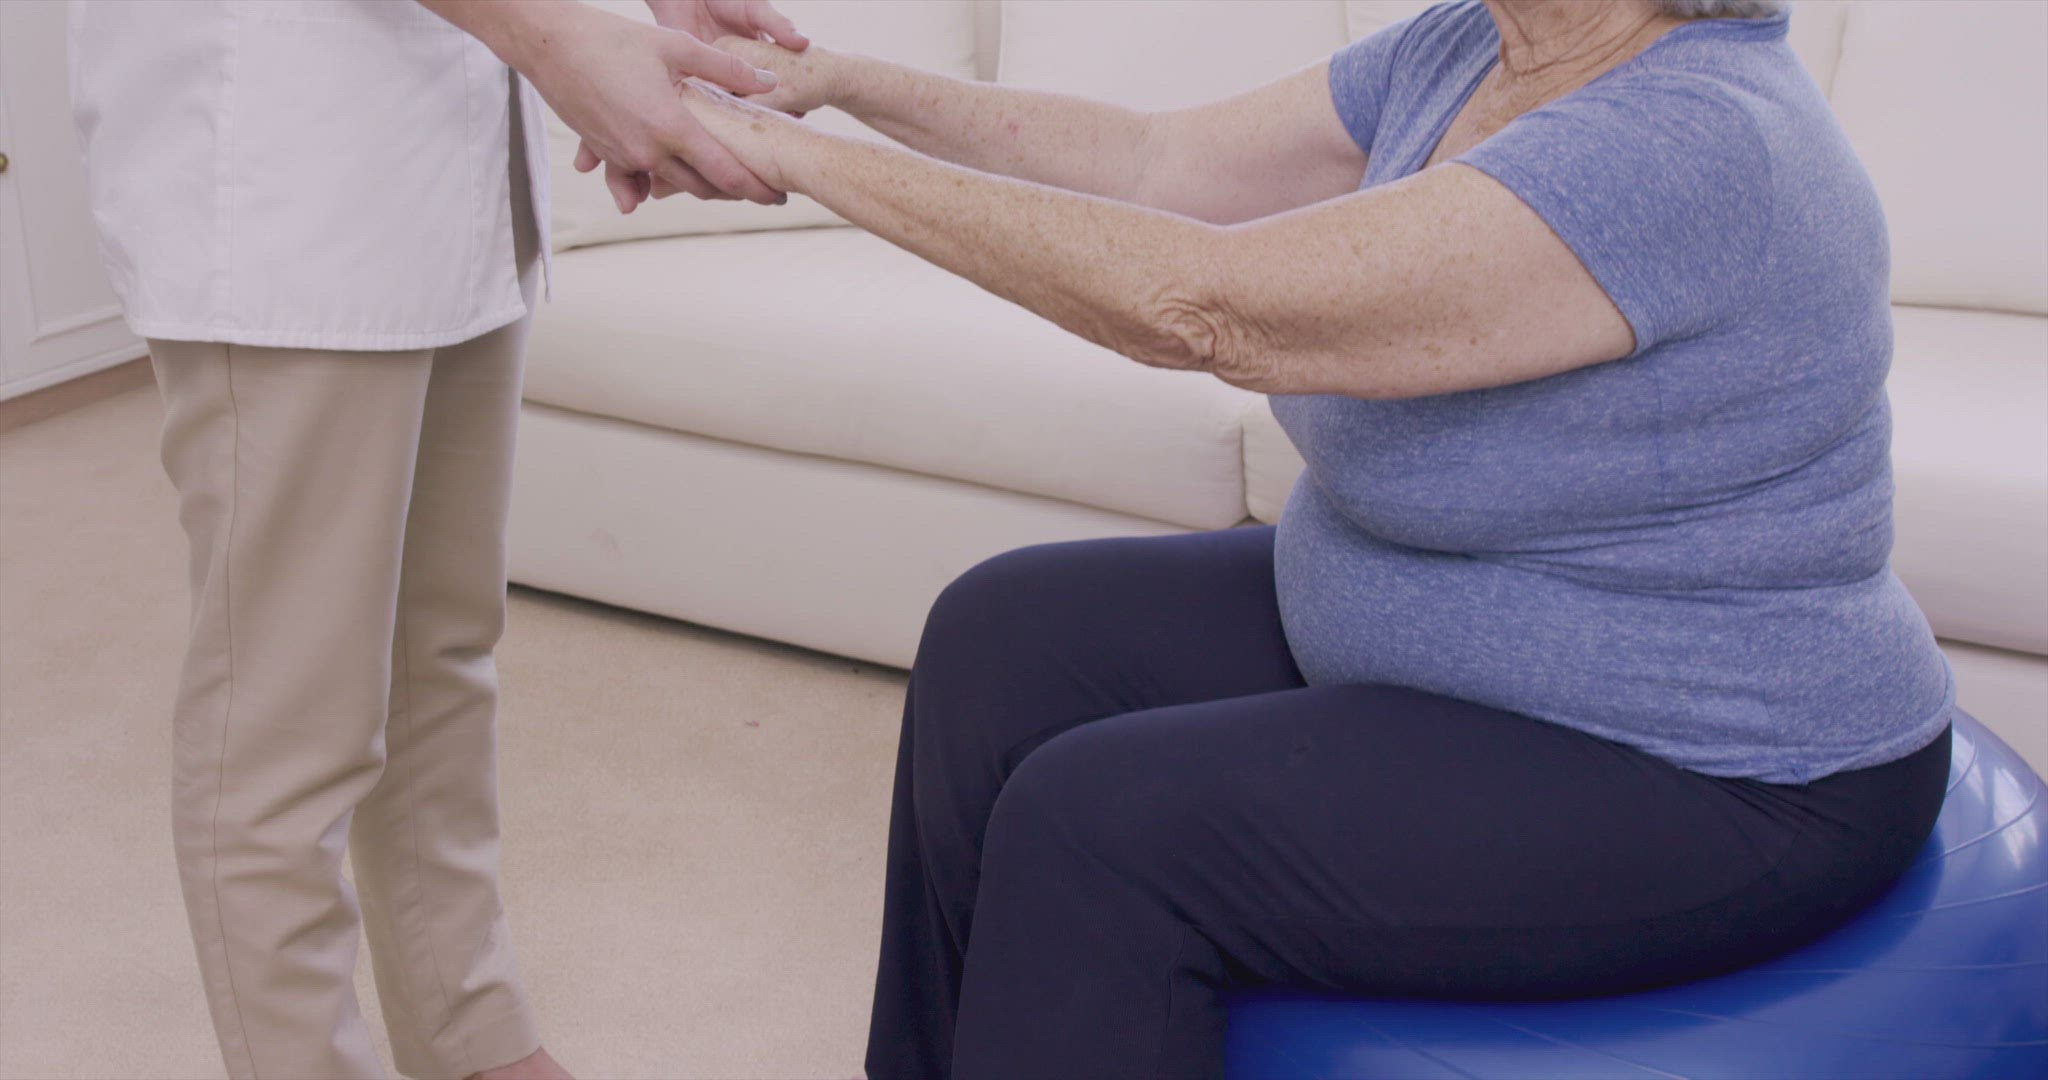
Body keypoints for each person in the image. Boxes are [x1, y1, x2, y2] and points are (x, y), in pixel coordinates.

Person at [652, 0, 1960, 1076]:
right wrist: (830, 85)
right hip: (1442, 625)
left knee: (1100, 828)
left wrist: (791, 159)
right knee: (1002, 636)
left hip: (1713, 766)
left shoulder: (1688, 139)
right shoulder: (1474, 46)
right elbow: (1154, 164)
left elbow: (1203, 304)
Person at [69, 2, 802, 1077]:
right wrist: (555, 41)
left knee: (440, 660)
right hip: (286, 169)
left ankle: (474, 1042)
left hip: (452, 158)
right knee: (287, 733)